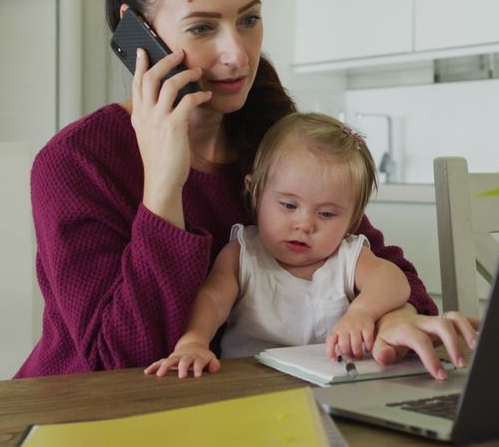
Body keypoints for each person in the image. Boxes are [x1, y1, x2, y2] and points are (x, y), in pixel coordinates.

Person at [15, 0, 477, 381]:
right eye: (201, 27)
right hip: (84, 414)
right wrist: (163, 188)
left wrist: (395, 318)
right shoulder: (75, 163)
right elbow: (122, 362)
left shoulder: (275, 129)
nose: (237, 54)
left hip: (244, 403)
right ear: (137, 30)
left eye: (249, 19)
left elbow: (369, 259)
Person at [145, 113, 412, 378]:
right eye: (288, 205)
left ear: (353, 219)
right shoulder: (243, 254)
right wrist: (193, 343)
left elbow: (392, 280)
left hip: (331, 386)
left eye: (327, 214)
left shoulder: (347, 256)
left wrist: (362, 312)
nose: (304, 224)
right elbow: (212, 301)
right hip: (249, 384)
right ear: (255, 193)